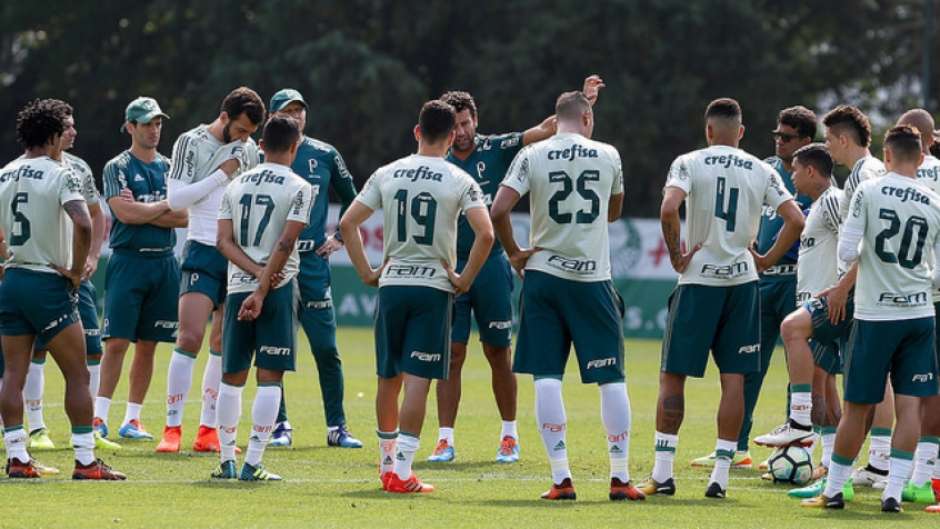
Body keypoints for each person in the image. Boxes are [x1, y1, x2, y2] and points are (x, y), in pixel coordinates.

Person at [429, 75, 604, 464]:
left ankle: (509, 435)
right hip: (448, 267)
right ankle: (444, 439)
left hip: (490, 267)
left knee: (497, 351)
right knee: (452, 354)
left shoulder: (497, 147)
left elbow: (548, 128)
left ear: (476, 118)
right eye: (453, 125)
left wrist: (584, 100)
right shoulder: (435, 159)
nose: (460, 132)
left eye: (465, 123)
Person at [641, 98, 804, 499]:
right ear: (742, 133)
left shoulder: (689, 161)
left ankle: (663, 474)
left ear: (708, 130)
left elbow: (668, 209)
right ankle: (721, 476)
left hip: (698, 283)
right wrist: (764, 259)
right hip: (744, 285)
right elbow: (796, 219)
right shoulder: (762, 169)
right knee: (734, 380)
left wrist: (678, 255)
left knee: (672, 376)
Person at [490, 91, 642, 501]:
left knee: (547, 378)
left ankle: (561, 479)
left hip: (543, 276)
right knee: (611, 379)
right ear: (588, 118)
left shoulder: (533, 154)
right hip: (593, 278)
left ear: (556, 121)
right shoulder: (608, 154)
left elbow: (498, 210)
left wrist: (513, 253)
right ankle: (620, 477)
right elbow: (612, 212)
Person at [339, 99, 493, 493]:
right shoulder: (459, 179)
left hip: (392, 285)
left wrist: (366, 272)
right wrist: (464, 278)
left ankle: (387, 464)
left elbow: (347, 222)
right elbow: (486, 234)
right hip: (433, 288)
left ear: (417, 131)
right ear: (453, 135)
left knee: (387, 378)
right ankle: (403, 473)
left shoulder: (387, 172)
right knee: (418, 381)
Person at [802, 125, 940, 512]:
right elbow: (939, 273)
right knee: (911, 405)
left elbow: (846, 252)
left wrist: (877, 260)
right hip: (919, 313)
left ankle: (833, 489)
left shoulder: (868, 189)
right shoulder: (933, 201)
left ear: (888, 155)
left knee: (859, 405)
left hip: (876, 313)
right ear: (920, 158)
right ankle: (894, 492)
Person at [0, 98, 125, 479]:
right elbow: (84, 223)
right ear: (53, 136)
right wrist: (75, 270)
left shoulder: (4, 172)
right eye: (65, 131)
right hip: (47, 283)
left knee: (13, 375)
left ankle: (17, 457)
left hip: (12, 280)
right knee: (78, 374)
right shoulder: (62, 172)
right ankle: (86, 461)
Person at [690, 106, 816, 470]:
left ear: (805, 141)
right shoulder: (764, 169)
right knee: (746, 366)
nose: (779, 141)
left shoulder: (816, 177)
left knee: (800, 371)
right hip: (761, 280)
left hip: (796, 278)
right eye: (777, 135)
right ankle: (735, 446)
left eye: (787, 137)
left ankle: (798, 447)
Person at [156, 87, 264, 453]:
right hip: (202, 246)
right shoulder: (191, 142)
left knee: (221, 342)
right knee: (189, 337)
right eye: (242, 130)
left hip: (235, 251)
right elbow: (175, 200)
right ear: (225, 117)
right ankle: (172, 428)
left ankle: (208, 428)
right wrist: (221, 175)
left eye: (250, 133)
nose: (246, 139)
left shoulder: (249, 150)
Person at [213, 115, 313, 480]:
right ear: (294, 145)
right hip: (278, 286)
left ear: (261, 145)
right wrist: (265, 283)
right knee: (270, 377)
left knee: (232, 376)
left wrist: (253, 276)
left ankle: (226, 461)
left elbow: (222, 242)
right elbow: (286, 243)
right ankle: (252, 463)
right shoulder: (300, 186)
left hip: (238, 285)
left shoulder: (235, 185)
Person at [748, 144, 851, 499]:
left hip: (829, 307)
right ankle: (830, 465)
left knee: (820, 379)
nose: (790, 176)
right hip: (818, 304)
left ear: (810, 171)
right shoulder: (818, 206)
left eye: (794, 170)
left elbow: (859, 245)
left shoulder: (835, 200)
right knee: (825, 387)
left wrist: (839, 289)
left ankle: (801, 422)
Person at [265, 88, 361, 449]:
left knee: (326, 348)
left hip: (312, 264)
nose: (297, 116)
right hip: (275, 263)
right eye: (289, 111)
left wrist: (338, 236)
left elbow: (357, 200)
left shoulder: (324, 153)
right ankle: (279, 425)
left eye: (300, 110)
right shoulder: (262, 154)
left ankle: (337, 427)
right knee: (276, 347)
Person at [94, 97, 187, 441]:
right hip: (128, 260)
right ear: (130, 126)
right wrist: (164, 206)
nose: (154, 130)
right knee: (116, 340)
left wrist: (148, 207)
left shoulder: (170, 167)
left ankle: (132, 419)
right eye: (147, 123)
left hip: (164, 261)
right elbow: (124, 214)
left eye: (158, 123)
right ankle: (99, 416)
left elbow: (186, 215)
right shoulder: (116, 166)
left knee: (149, 343)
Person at [22, 101, 111, 451]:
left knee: (92, 350)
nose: (74, 131)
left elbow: (95, 214)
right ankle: (36, 428)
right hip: (43, 272)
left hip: (76, 276)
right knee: (34, 352)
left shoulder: (78, 168)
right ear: (53, 133)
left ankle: (89, 428)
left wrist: (88, 260)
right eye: (68, 126)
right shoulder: (31, 168)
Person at [822, 105, 892, 489]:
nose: (827, 147)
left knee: (874, 379)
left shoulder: (866, 176)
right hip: (864, 289)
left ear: (844, 139)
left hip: (865, 292)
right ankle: (874, 461)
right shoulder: (866, 173)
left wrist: (842, 287)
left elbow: (869, 244)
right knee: (876, 379)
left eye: (830, 139)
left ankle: (872, 462)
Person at [895, 109, 940, 507]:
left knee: (917, 388)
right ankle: (925, 473)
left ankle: (919, 474)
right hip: (929, 292)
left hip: (909, 294)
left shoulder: (891, 179)